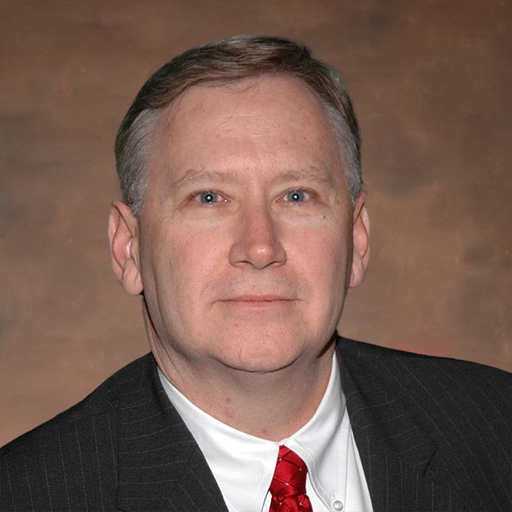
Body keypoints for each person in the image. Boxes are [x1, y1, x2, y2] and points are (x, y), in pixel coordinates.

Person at [0, 35, 510, 512]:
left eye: (296, 195)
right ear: (128, 246)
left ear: (356, 239)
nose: (261, 246)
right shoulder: (31, 493)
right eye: (208, 198)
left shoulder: (496, 430)